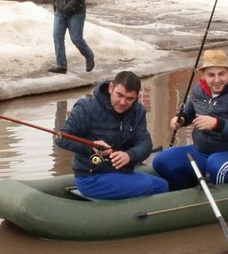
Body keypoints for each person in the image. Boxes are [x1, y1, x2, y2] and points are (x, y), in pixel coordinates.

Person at [152, 49, 228, 190]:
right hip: (201, 152)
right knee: (161, 160)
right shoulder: (198, 90)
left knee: (216, 165)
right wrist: (182, 119)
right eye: (211, 75)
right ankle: (187, 193)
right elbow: (190, 111)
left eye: (221, 74)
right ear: (203, 76)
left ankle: (219, 199)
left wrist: (217, 124)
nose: (216, 80)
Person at [54, 71, 169, 200]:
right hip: (91, 177)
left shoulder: (138, 112)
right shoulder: (86, 107)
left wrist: (130, 155)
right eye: (119, 95)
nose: (122, 102)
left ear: (137, 97)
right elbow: (61, 138)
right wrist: (91, 147)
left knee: (162, 186)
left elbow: (145, 143)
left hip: (121, 173)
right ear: (111, 88)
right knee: (145, 185)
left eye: (129, 98)